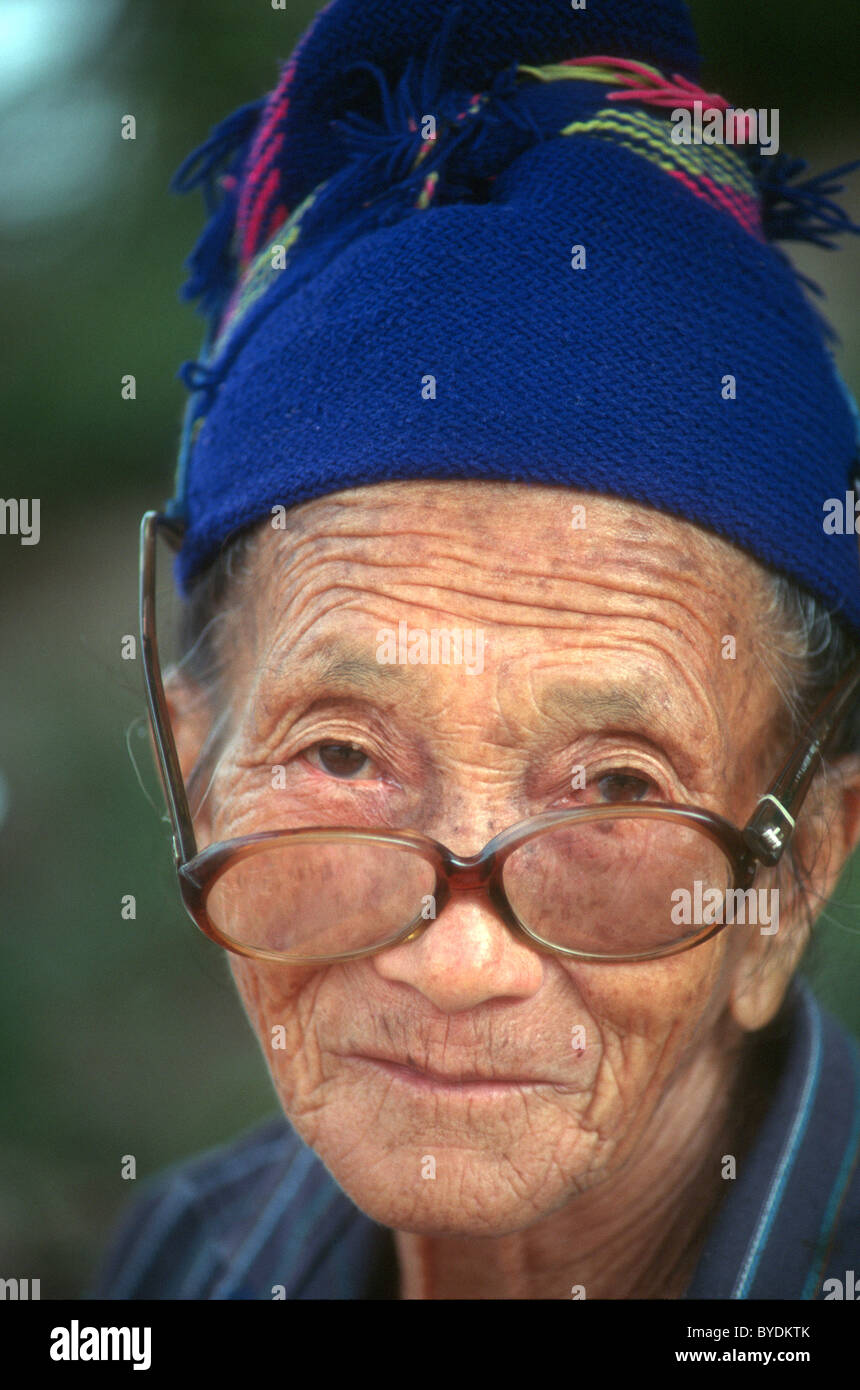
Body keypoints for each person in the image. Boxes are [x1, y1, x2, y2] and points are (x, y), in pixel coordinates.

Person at [93, 0, 860, 1299]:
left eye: (618, 784)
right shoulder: (176, 1259)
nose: (456, 961)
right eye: (341, 752)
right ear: (196, 767)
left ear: (787, 890)